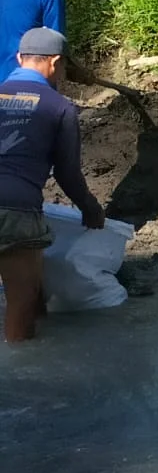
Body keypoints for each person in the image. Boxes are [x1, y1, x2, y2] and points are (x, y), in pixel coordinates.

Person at [0, 28, 105, 343]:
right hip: (15, 208)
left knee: (32, 283)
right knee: (22, 300)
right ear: (56, 63)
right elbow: (67, 172)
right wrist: (90, 208)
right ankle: (23, 377)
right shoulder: (59, 107)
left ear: (19, 58)